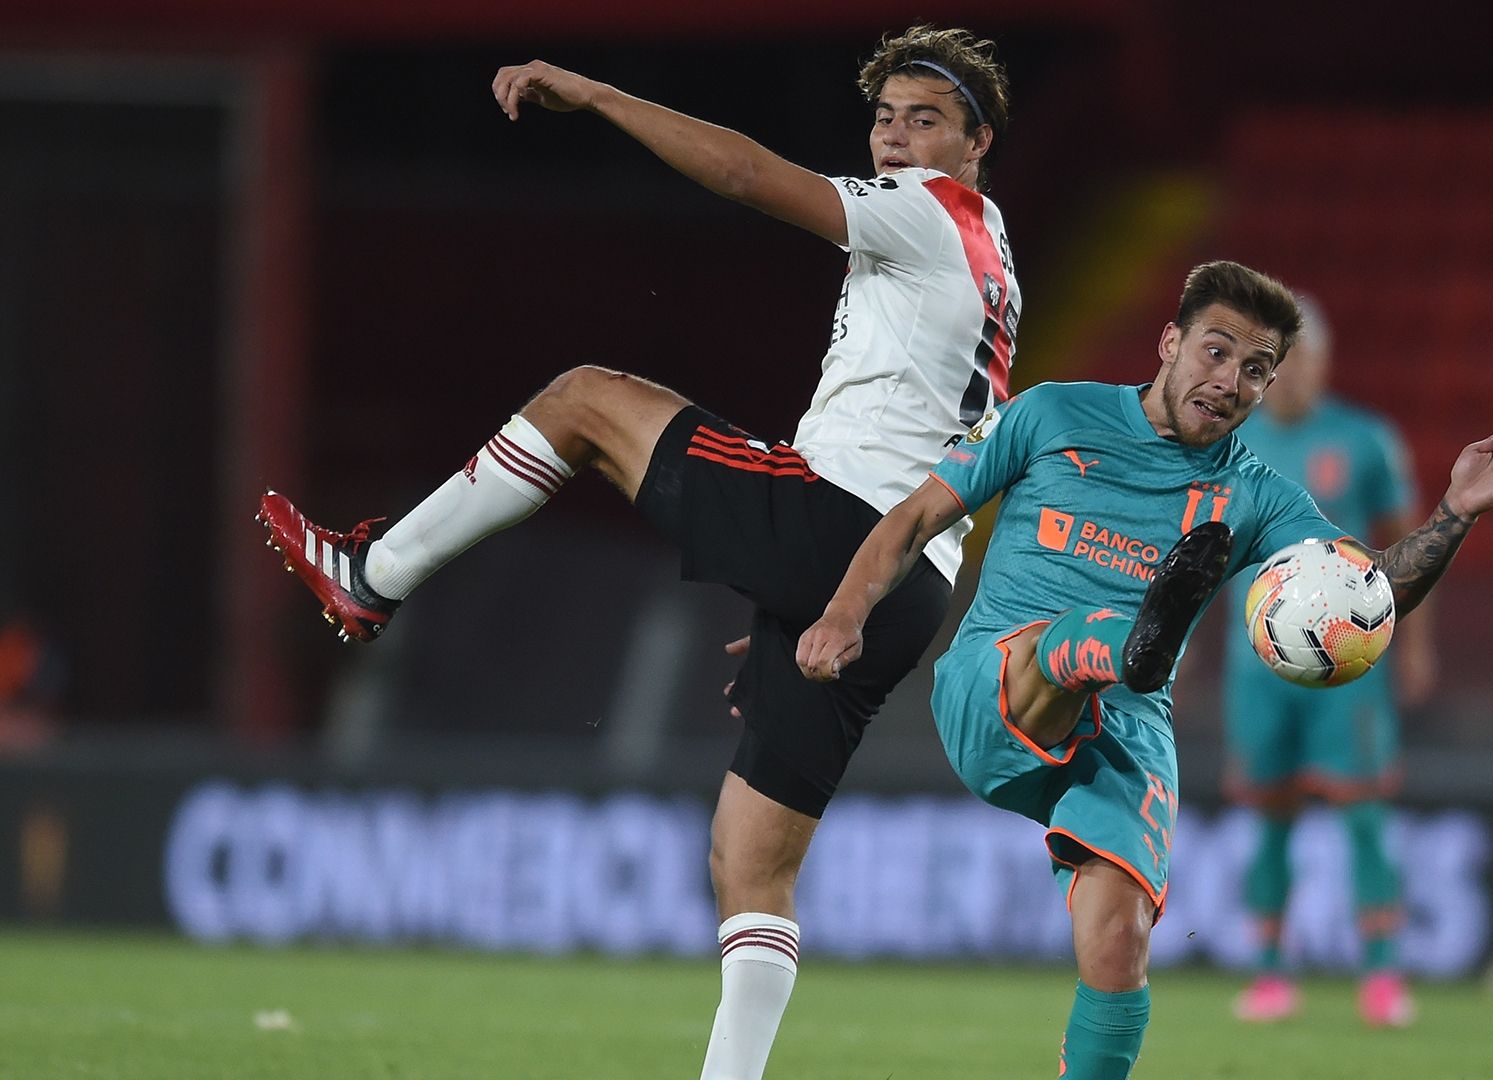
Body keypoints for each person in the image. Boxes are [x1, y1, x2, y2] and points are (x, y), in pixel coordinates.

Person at [257, 27, 1016, 1080]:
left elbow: (752, 176)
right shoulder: (988, 248)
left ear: (977, 143)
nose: (894, 137)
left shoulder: (927, 213)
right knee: (750, 864)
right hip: (900, 584)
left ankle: (372, 577)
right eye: (884, 116)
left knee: (581, 401)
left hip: (840, 522)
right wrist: (817, 599)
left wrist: (603, 96)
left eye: (924, 119)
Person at [794, 261, 1493, 1077]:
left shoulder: (1258, 494)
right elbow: (915, 517)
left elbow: (1363, 594)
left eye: (1257, 371)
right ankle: (1124, 645)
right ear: (1170, 342)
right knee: (1084, 641)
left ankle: (1129, 654)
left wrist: (1455, 514)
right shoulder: (1050, 411)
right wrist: (842, 614)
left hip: (1124, 722)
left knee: (1119, 945)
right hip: (1000, 680)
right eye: (1217, 353)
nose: (1232, 382)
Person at [1220, 296, 1437, 1028]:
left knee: (1364, 815)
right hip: (1257, 668)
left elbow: (1412, 549)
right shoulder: (1228, 442)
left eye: (1303, 358)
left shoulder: (1364, 440)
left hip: (1350, 669)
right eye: (1278, 362)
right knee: (1269, 819)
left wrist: (1417, 644)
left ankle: (1381, 974)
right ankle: (1270, 972)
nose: (1290, 375)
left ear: (1322, 363)